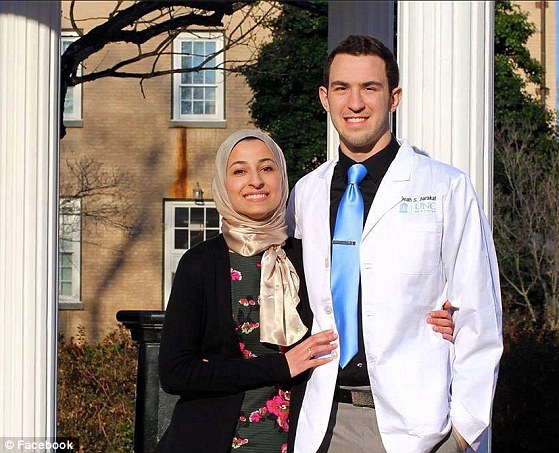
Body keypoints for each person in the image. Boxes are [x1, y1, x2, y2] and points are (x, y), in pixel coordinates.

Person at [156, 129, 456, 452]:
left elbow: (365, 305)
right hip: (213, 440)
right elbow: (175, 372)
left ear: (282, 178)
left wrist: (438, 321)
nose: (255, 181)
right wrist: (280, 367)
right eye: (239, 171)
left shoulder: (309, 253)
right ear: (223, 183)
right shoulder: (200, 264)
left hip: (304, 441)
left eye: (267, 168)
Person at [286, 35, 503, 453]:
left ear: (394, 98)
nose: (355, 103)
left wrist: (463, 432)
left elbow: (480, 314)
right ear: (325, 98)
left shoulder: (446, 187)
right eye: (342, 88)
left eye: (370, 88)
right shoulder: (306, 194)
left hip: (420, 428)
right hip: (326, 421)